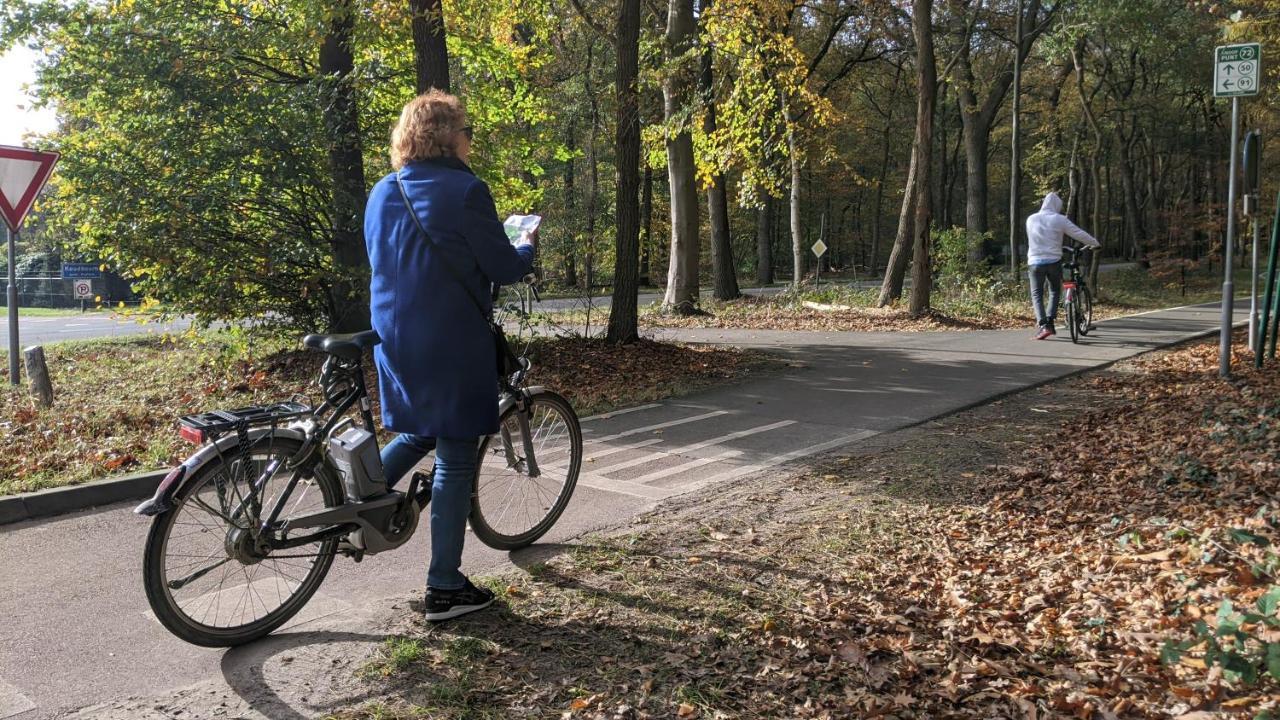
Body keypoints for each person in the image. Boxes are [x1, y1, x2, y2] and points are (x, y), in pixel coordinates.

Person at [364, 91, 536, 621]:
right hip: (449, 338)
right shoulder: (466, 190)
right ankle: (445, 585)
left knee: (419, 429)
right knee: (457, 452)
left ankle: (362, 504)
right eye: (466, 130)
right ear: (447, 135)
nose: (469, 140)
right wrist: (525, 243)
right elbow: (504, 268)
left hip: (391, 337)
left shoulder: (382, 191)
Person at [1025, 191, 1099, 340]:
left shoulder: (1031, 219)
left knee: (1036, 294)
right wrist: (1095, 243)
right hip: (1053, 261)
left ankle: (1044, 325)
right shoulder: (1059, 219)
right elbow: (1078, 233)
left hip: (1034, 262)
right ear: (1057, 206)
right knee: (1054, 291)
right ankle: (1050, 321)